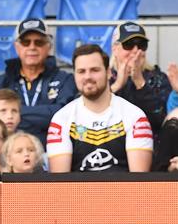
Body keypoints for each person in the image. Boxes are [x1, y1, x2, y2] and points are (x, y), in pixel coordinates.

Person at [47, 44, 153, 173]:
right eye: (81, 71)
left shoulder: (135, 116)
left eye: (95, 70)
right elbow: (60, 184)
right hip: (77, 193)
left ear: (108, 73)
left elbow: (140, 182)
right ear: (74, 75)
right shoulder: (61, 119)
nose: (87, 77)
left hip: (123, 193)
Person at [0, 18, 77, 146]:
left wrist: (14, 113)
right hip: (8, 151)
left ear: (49, 46)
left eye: (39, 42)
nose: (32, 47)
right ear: (16, 46)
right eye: (26, 42)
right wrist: (46, 115)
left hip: (53, 149)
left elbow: (66, 117)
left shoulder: (65, 79)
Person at [109, 21, 171, 139]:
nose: (136, 50)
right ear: (115, 49)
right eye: (129, 44)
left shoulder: (158, 78)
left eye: (141, 45)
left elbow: (162, 121)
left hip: (149, 144)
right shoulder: (102, 75)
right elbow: (86, 111)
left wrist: (140, 82)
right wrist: (117, 85)